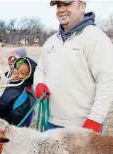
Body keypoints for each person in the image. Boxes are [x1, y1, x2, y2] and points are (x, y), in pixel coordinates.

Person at [34, 0, 113, 132]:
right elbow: (40, 69)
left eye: (67, 4)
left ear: (82, 6)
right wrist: (39, 84)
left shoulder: (95, 38)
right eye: (59, 5)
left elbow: (107, 81)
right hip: (51, 122)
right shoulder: (51, 41)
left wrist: (95, 119)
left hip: (83, 126)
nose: (62, 9)